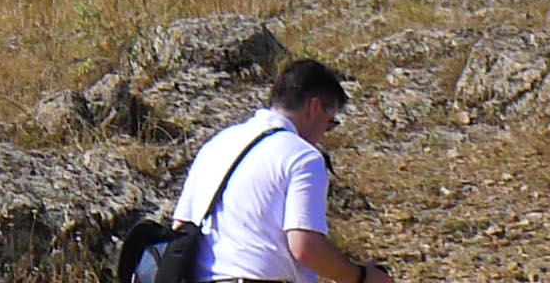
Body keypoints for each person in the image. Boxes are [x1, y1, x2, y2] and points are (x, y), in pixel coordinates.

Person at [170, 58, 396, 283]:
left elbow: (180, 228)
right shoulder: (303, 156)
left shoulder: (216, 144)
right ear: (314, 107)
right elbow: (305, 247)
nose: (324, 134)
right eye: (329, 123)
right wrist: (361, 277)